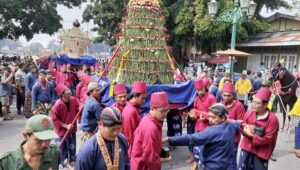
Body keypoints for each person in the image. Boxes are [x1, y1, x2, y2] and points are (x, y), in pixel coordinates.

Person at [163, 103, 241, 170]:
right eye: (209, 116)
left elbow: (191, 138)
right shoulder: (232, 125)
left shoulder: (213, 131)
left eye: (213, 117)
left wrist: (168, 139)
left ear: (223, 118)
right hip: (225, 165)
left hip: (212, 167)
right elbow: (239, 123)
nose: (210, 120)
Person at [238, 87, 279, 170]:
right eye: (253, 101)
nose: (253, 104)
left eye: (257, 103)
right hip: (247, 148)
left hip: (262, 152)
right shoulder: (249, 113)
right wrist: (245, 130)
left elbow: (268, 138)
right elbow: (242, 127)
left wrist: (252, 135)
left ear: (265, 105)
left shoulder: (272, 119)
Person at [131, 92, 172, 170]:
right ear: (152, 108)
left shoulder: (148, 118)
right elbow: (149, 157)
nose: (165, 114)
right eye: (162, 111)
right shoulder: (150, 128)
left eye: (167, 110)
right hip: (143, 166)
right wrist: (162, 160)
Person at [187, 78, 216, 164]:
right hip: (198, 126)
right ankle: (196, 163)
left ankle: (203, 164)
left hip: (208, 128)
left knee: (205, 148)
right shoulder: (196, 99)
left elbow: (215, 114)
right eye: (197, 90)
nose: (199, 92)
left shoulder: (211, 98)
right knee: (196, 146)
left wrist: (207, 118)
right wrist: (192, 116)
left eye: (201, 90)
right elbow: (195, 114)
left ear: (205, 88)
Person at [51, 84, 79, 169]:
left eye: (68, 89)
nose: (69, 91)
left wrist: (81, 106)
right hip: (62, 131)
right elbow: (54, 120)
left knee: (72, 146)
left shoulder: (73, 99)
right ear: (62, 94)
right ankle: (62, 161)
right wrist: (65, 126)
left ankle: (71, 161)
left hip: (72, 129)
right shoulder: (57, 105)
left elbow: (78, 107)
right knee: (62, 147)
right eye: (67, 90)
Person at [221, 82, 245, 170]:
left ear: (233, 95)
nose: (226, 98)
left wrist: (226, 121)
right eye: (224, 95)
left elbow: (240, 124)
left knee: (232, 161)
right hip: (221, 137)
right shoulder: (221, 104)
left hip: (233, 139)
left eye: (229, 95)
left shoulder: (239, 106)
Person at [122, 81, 147, 156]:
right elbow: (130, 136)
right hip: (132, 149)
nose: (144, 101)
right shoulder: (130, 111)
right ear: (135, 96)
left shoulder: (134, 108)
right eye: (142, 98)